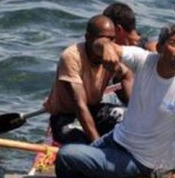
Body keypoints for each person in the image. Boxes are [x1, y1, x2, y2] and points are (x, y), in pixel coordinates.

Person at [55, 24, 175, 178]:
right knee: (68, 161)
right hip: (117, 139)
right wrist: (107, 47)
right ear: (159, 47)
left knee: (66, 155)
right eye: (173, 44)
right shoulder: (144, 60)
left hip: (142, 161)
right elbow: (96, 44)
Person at [43, 15, 133, 144]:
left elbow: (126, 75)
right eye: (103, 39)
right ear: (88, 38)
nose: (108, 44)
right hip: (67, 116)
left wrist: (131, 104)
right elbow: (80, 105)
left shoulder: (113, 54)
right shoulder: (72, 56)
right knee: (81, 142)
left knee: (128, 117)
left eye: (112, 39)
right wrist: (97, 146)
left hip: (95, 109)